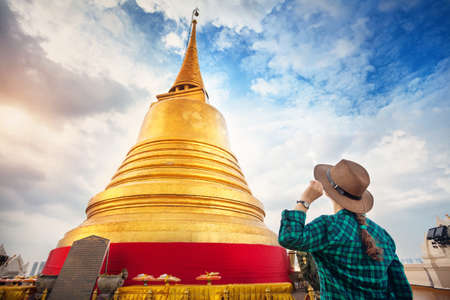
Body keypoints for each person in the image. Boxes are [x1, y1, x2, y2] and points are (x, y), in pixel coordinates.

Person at [279, 159, 412, 299]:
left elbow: (289, 237)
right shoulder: (383, 235)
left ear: (328, 192)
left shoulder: (329, 227)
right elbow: (401, 288)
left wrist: (305, 201)